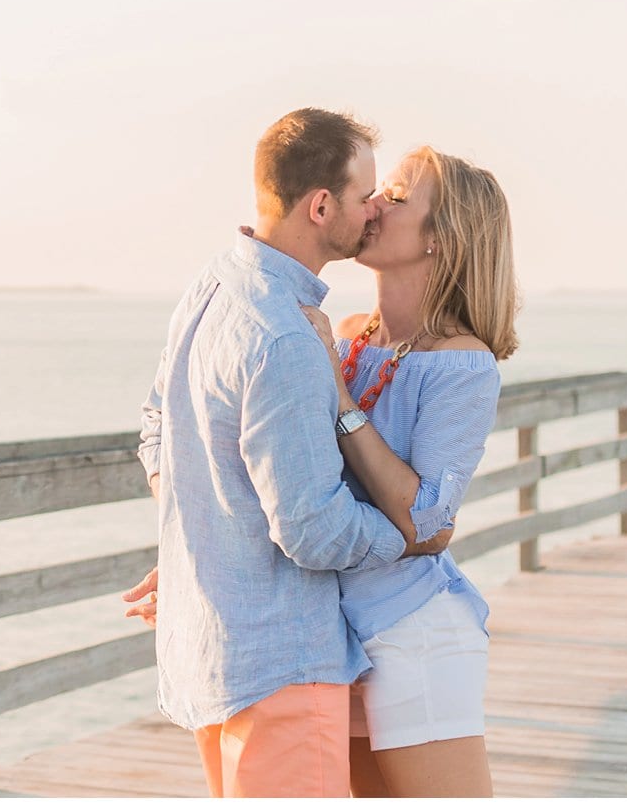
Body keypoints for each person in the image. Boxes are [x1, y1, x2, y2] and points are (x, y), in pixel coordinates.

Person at [122, 108, 452, 798]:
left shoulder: (211, 286)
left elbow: (158, 429)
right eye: (365, 195)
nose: (374, 210)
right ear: (322, 204)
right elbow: (314, 529)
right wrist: (409, 533)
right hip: (282, 664)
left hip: (211, 655)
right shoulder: (288, 337)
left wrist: (204, 537)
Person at [300, 144, 518, 797]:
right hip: (336, 635)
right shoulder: (346, 334)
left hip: (414, 635)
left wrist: (338, 396)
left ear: (440, 239)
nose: (373, 203)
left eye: (397, 196)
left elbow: (426, 518)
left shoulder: (463, 364)